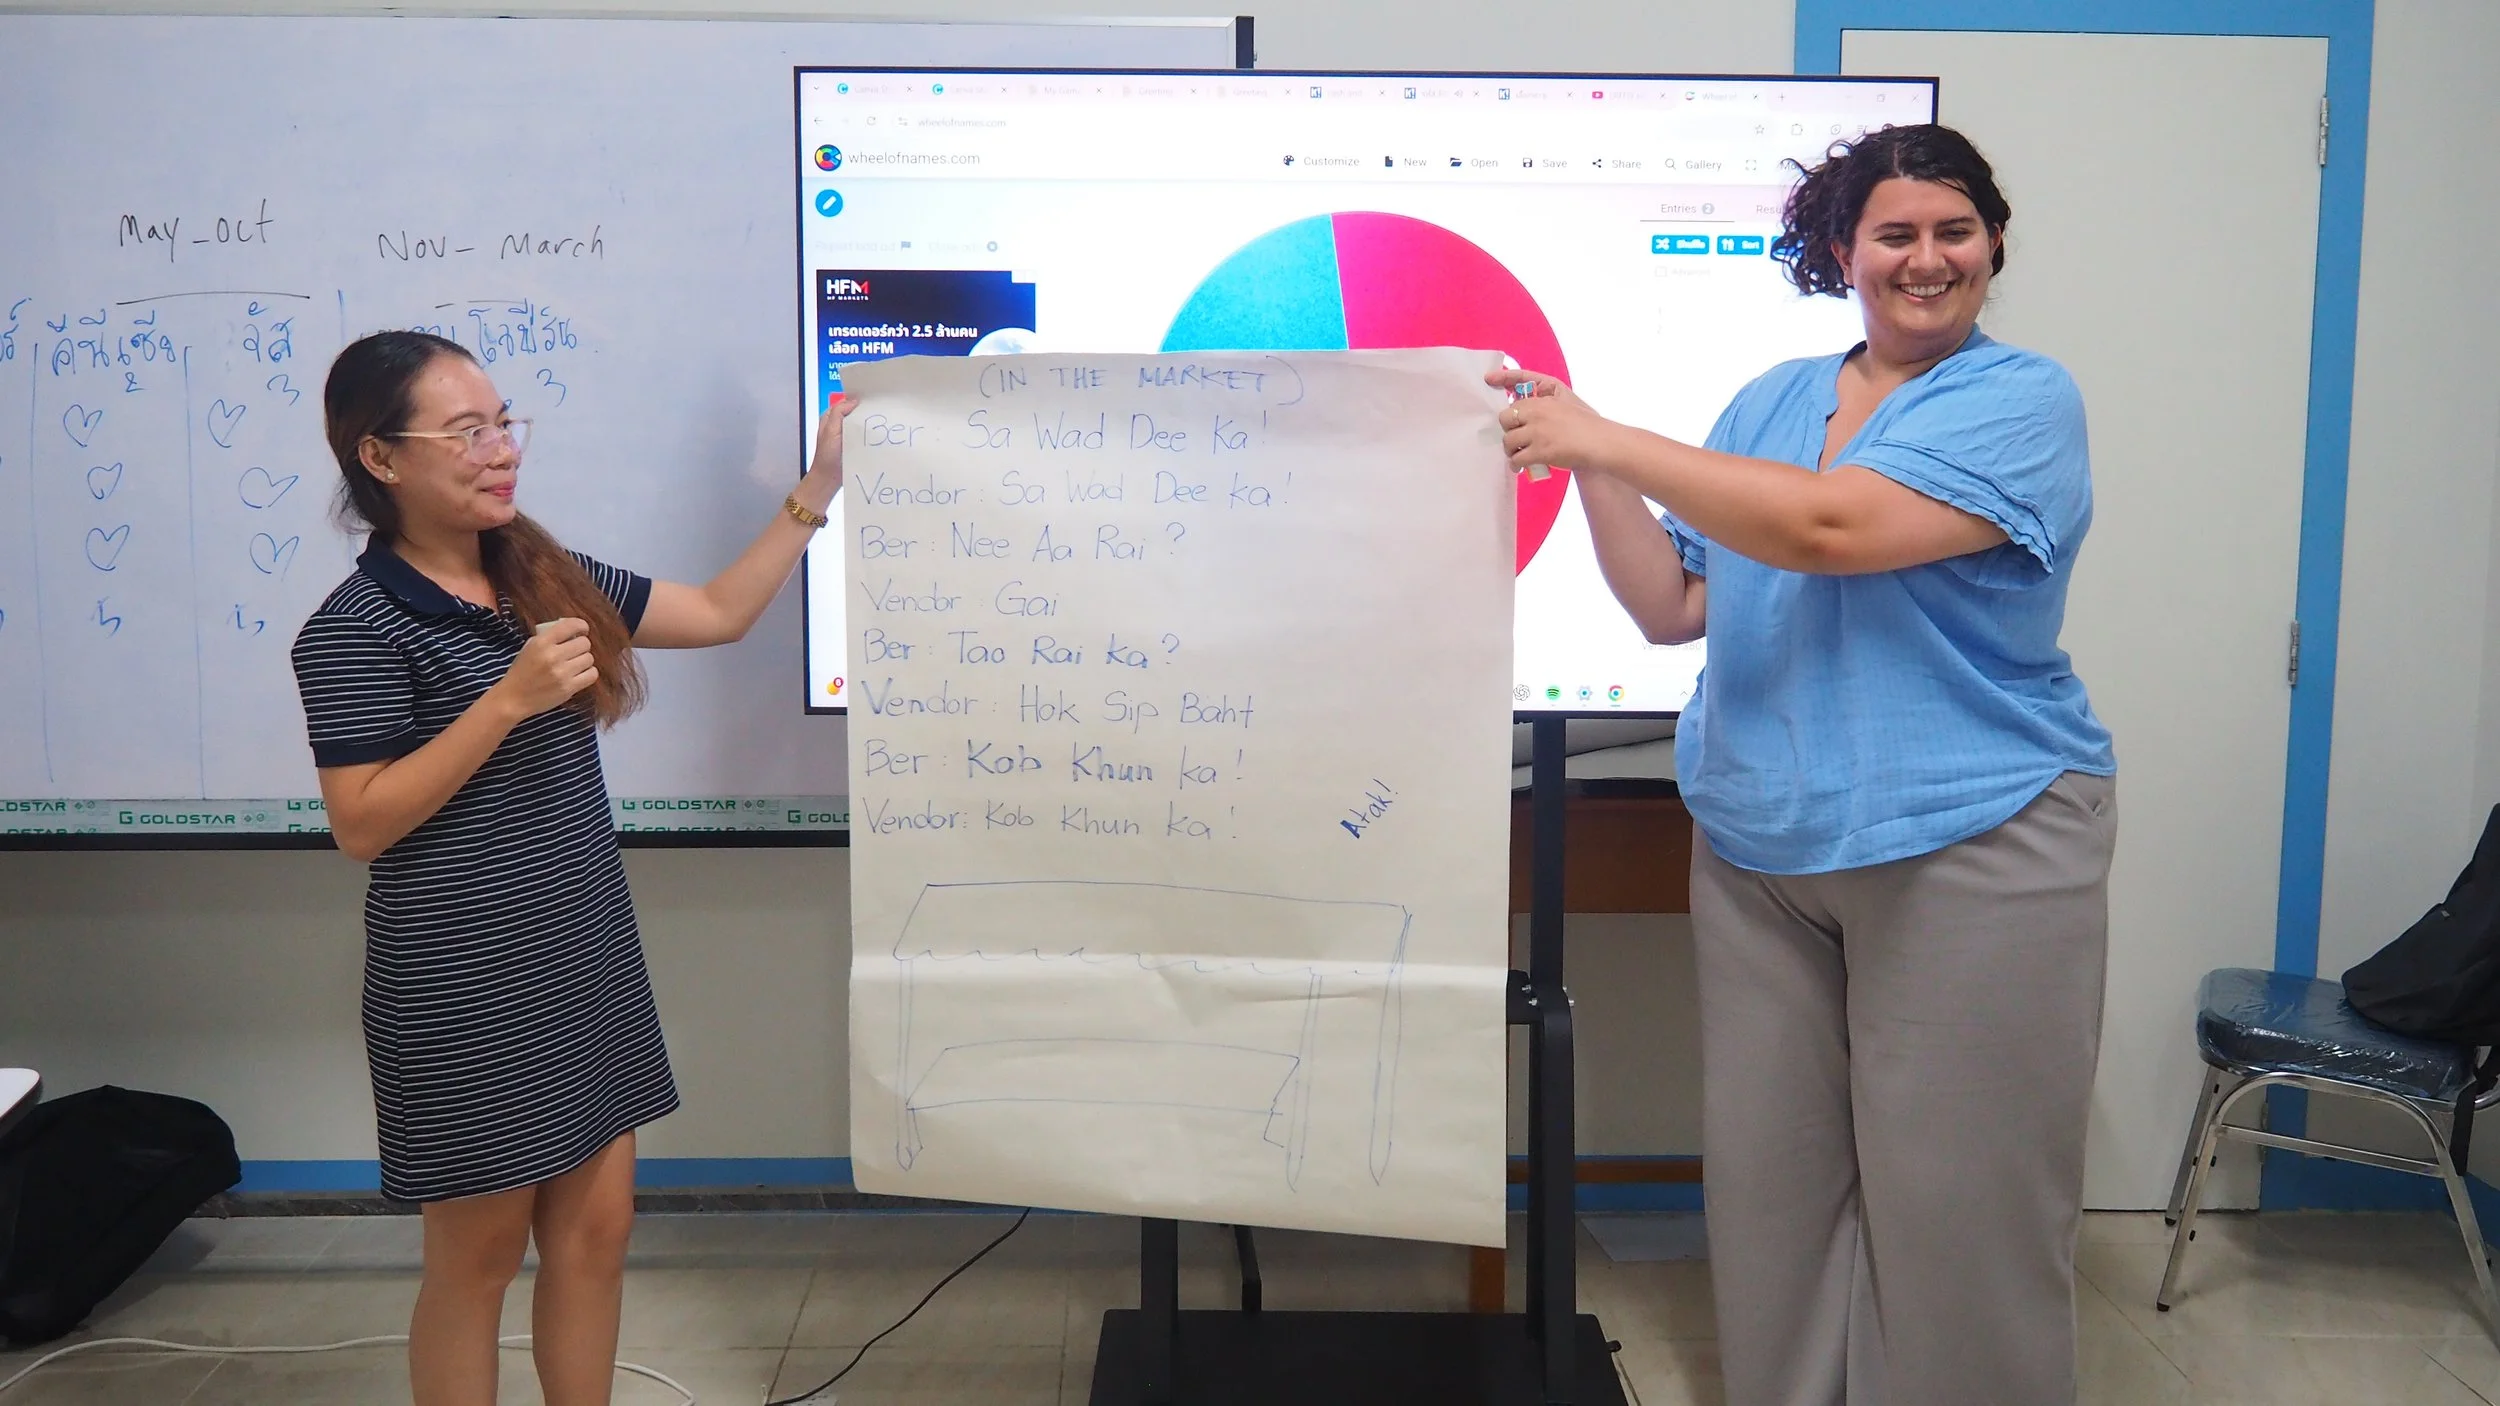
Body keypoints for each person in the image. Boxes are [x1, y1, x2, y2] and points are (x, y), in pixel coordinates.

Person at [1491, 124, 2117, 1405]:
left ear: (1994, 244)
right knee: (1773, 1209)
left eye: (1956, 230)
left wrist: (1610, 440)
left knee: (1963, 1219)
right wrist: (1578, 456)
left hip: (1971, 840)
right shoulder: (1771, 400)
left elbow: (1832, 530)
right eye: (1895, 232)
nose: (1927, 258)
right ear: (1845, 251)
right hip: (1761, 847)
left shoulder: (2021, 398)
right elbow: (1672, 605)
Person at [290, 330, 848, 1406]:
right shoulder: (353, 629)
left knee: (596, 1234)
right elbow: (361, 822)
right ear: (381, 458)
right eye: (465, 431)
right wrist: (504, 702)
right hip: (460, 982)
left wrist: (816, 490)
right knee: (478, 1258)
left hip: (579, 958)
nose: (500, 450)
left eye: (504, 422)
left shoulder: (541, 572)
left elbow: (722, 612)